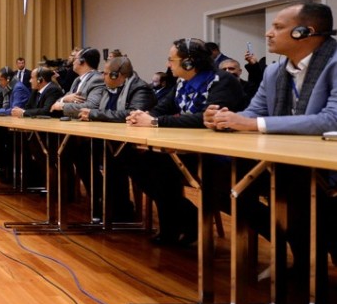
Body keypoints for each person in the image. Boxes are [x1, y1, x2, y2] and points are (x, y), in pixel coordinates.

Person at [205, 3, 337, 266]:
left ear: (303, 32)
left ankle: (313, 260)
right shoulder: (274, 71)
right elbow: (253, 112)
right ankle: (295, 248)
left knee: (299, 190)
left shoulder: (333, 64)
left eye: (278, 27)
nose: (268, 33)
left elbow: (331, 120)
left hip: (324, 166)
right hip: (284, 163)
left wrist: (251, 124)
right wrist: (223, 119)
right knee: (215, 177)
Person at [124, 38, 244, 246]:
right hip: (188, 150)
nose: (168, 64)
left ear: (189, 63)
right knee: (136, 162)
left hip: (222, 154)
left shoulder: (221, 81)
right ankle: (184, 222)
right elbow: (162, 108)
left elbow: (206, 118)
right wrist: (140, 115)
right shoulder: (181, 83)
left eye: (172, 60)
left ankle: (183, 224)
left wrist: (154, 121)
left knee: (159, 171)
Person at [77, 57, 157, 220]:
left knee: (116, 159)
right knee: (79, 152)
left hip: (135, 144)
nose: (102, 77)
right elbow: (103, 111)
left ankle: (120, 208)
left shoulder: (141, 89)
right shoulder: (108, 89)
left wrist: (94, 114)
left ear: (116, 75)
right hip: (112, 139)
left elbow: (131, 114)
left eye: (105, 74)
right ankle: (103, 200)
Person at [51, 47, 106, 119]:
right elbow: (57, 103)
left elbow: (92, 106)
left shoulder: (97, 79)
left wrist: (63, 106)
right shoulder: (77, 80)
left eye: (75, 59)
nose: (73, 62)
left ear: (82, 61)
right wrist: (64, 99)